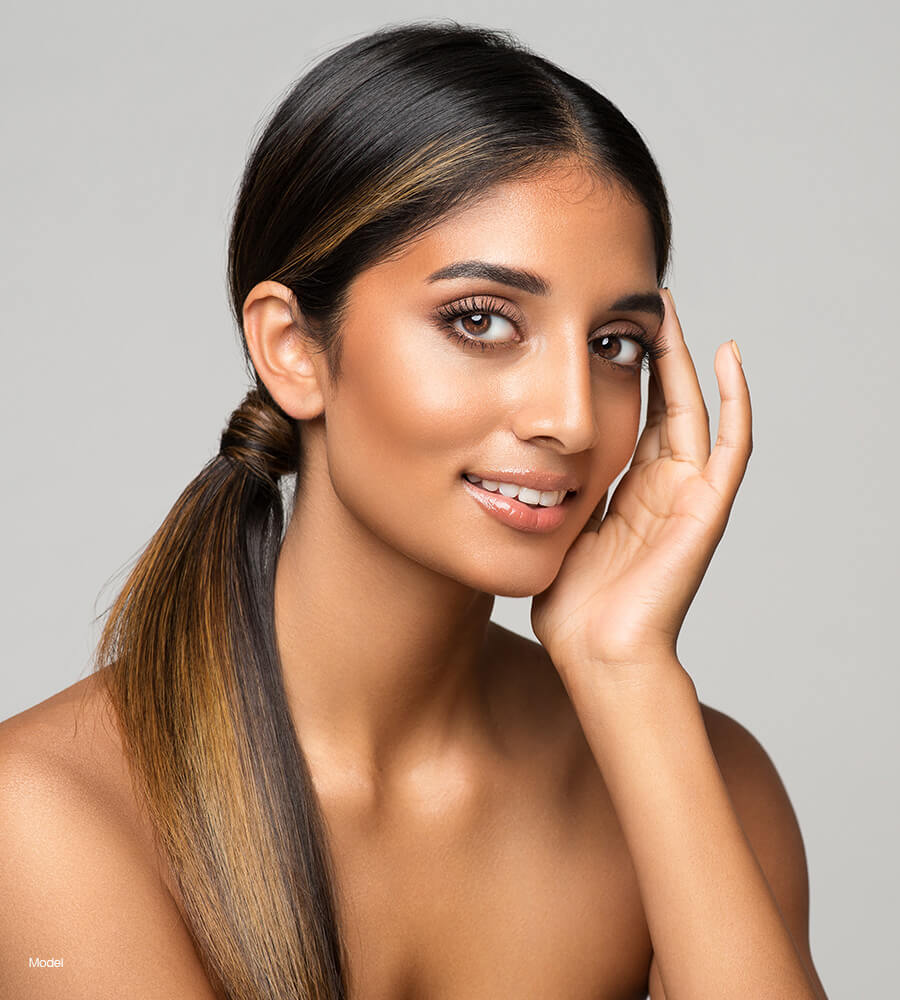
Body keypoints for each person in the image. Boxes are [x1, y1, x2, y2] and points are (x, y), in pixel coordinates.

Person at [0, 20, 828, 1000]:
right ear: (294, 348)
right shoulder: (47, 815)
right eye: (480, 320)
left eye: (615, 343)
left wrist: (627, 676)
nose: (570, 417)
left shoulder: (705, 783)